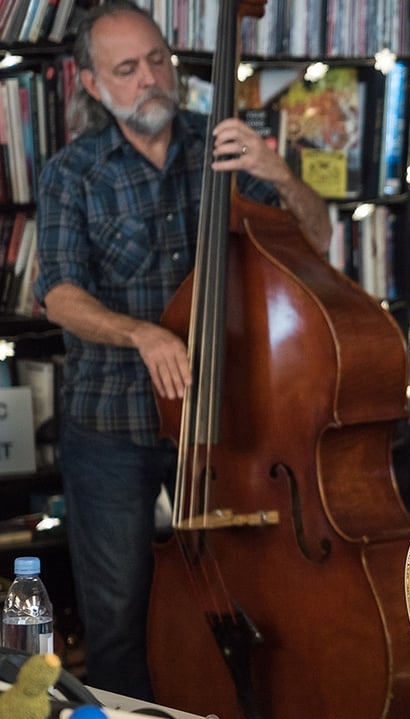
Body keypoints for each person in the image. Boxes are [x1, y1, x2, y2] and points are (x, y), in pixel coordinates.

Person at [34, 0, 331, 700]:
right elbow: (59, 296)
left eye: (159, 60)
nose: (150, 80)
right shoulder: (71, 173)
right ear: (92, 84)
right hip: (115, 429)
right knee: (118, 616)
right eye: (127, 70)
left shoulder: (223, 147)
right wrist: (142, 332)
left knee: (252, 596)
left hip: (223, 426)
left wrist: (281, 173)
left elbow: (316, 241)